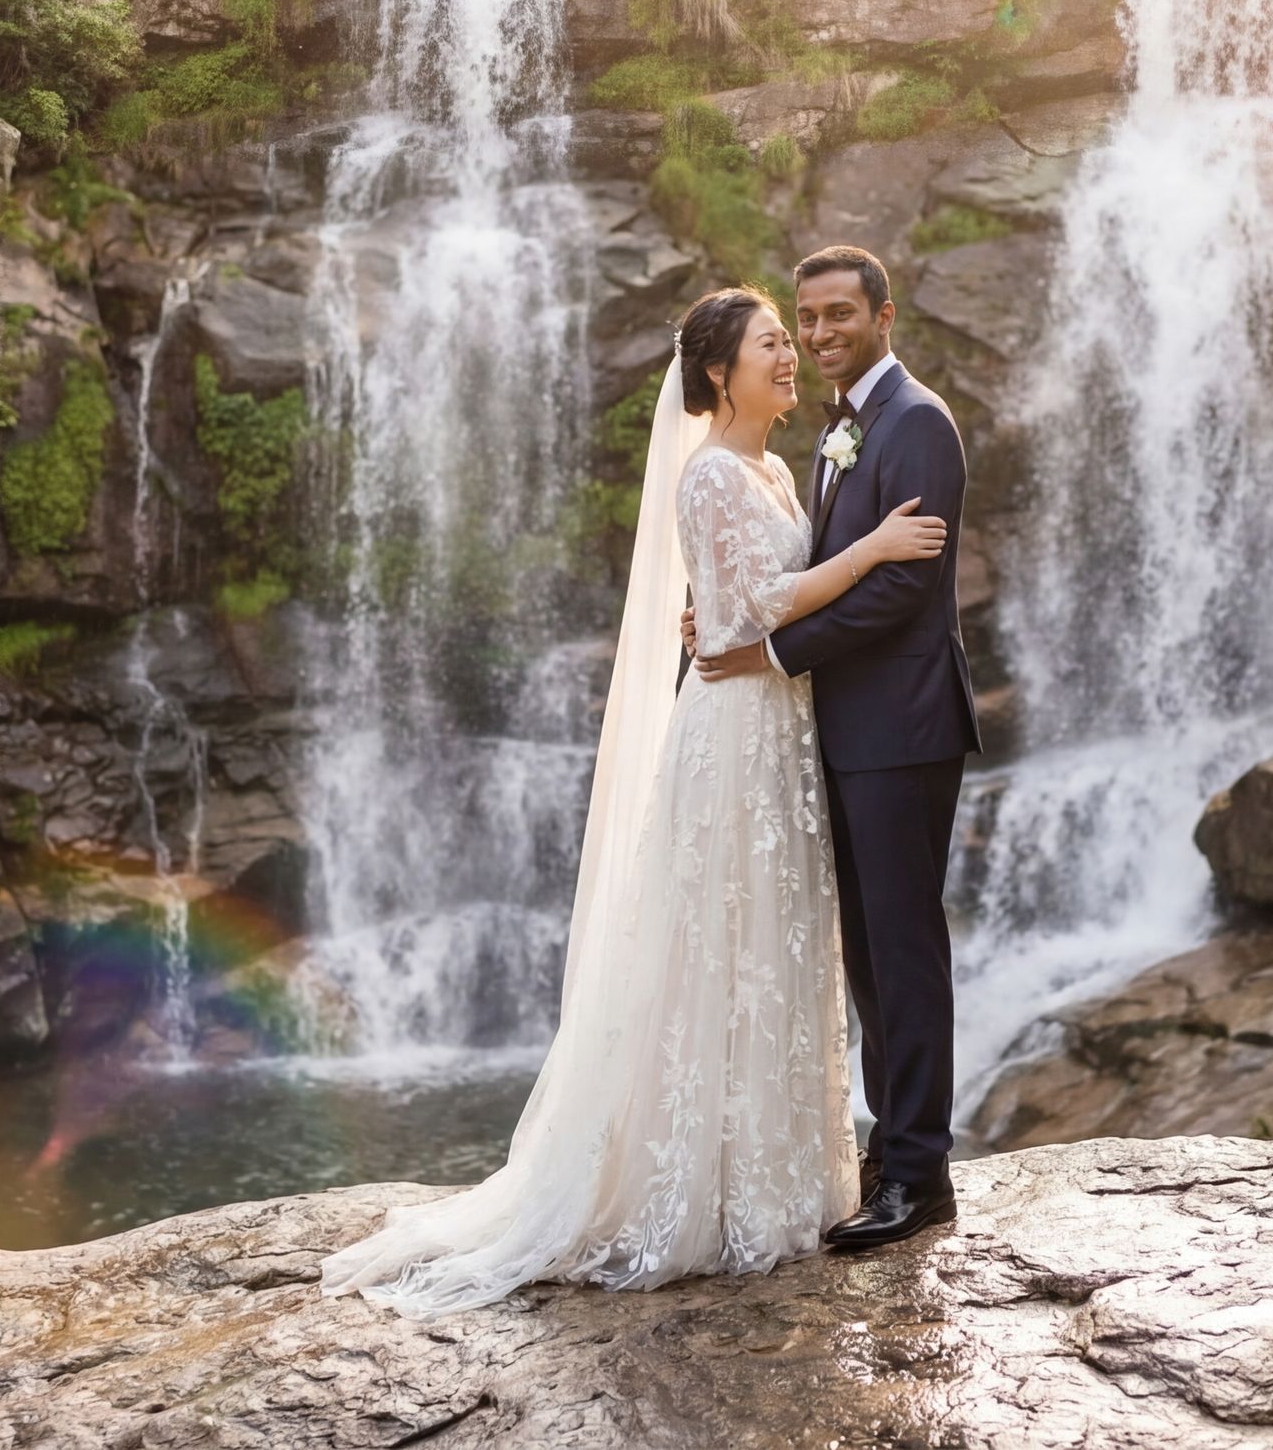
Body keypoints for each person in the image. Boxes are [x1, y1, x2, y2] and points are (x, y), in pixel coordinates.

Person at [320, 284, 950, 1312]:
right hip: (737, 732)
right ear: (717, 371)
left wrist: (742, 622)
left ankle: (782, 1176)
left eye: (795, 339)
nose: (791, 355)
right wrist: (871, 549)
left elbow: (737, 611)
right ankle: (695, 1183)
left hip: (784, 727)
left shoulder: (784, 468)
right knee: (716, 944)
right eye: (771, 342)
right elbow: (761, 602)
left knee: (776, 941)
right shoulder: (708, 474)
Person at [691, 244, 983, 1253]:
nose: (818, 334)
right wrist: (728, 615)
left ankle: (921, 1175)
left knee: (902, 950)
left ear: (884, 315)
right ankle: (891, 1154)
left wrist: (770, 650)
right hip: (847, 731)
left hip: (903, 728)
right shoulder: (839, 432)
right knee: (867, 954)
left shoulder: (916, 423)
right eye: (805, 318)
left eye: (837, 316)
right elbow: (817, 567)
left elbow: (904, 588)